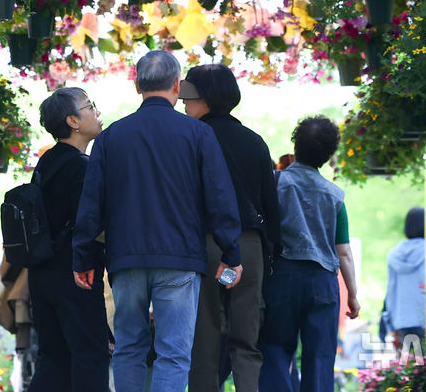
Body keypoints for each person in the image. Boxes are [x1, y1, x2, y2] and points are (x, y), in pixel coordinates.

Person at [72, 49, 243, 392]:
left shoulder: (110, 138)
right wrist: (231, 252)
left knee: (129, 348)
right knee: (174, 353)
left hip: (126, 259)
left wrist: (84, 256)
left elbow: (91, 204)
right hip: (180, 259)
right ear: (177, 85)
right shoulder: (198, 134)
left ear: (137, 86)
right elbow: (219, 197)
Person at [181, 64, 281, 392]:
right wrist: (271, 253)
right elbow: (271, 205)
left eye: (189, 97)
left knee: (205, 338)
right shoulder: (254, 142)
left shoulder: (191, 139)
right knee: (245, 339)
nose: (184, 104)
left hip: (205, 249)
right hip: (248, 251)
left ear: (206, 99)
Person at [258, 115, 360, 392]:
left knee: (274, 349)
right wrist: (352, 293)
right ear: (329, 154)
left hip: (280, 277)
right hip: (323, 283)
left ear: (296, 144)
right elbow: (344, 252)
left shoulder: (274, 184)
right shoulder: (335, 195)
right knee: (320, 357)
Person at [27, 88, 110, 392]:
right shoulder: (81, 166)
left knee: (53, 358)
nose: (97, 112)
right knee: (91, 354)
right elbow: (92, 223)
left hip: (41, 272)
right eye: (91, 106)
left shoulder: (47, 163)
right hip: (76, 274)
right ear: (73, 121)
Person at [384, 207, 425, 348]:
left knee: (412, 364)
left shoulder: (393, 254)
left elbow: (391, 289)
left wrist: (390, 321)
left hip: (402, 318)